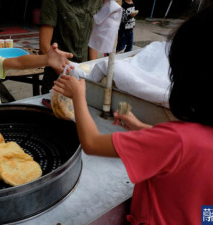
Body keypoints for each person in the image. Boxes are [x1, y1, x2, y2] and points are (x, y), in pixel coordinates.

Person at [53, 5, 213, 225]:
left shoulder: (175, 140)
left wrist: (78, 96)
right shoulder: (193, 139)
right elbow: (185, 155)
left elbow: (91, 143)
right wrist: (140, 127)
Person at [39, 0, 102, 94]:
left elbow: (94, 38)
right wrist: (64, 73)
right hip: (57, 76)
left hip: (83, 74)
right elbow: (44, 46)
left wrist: (91, 71)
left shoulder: (96, 1)